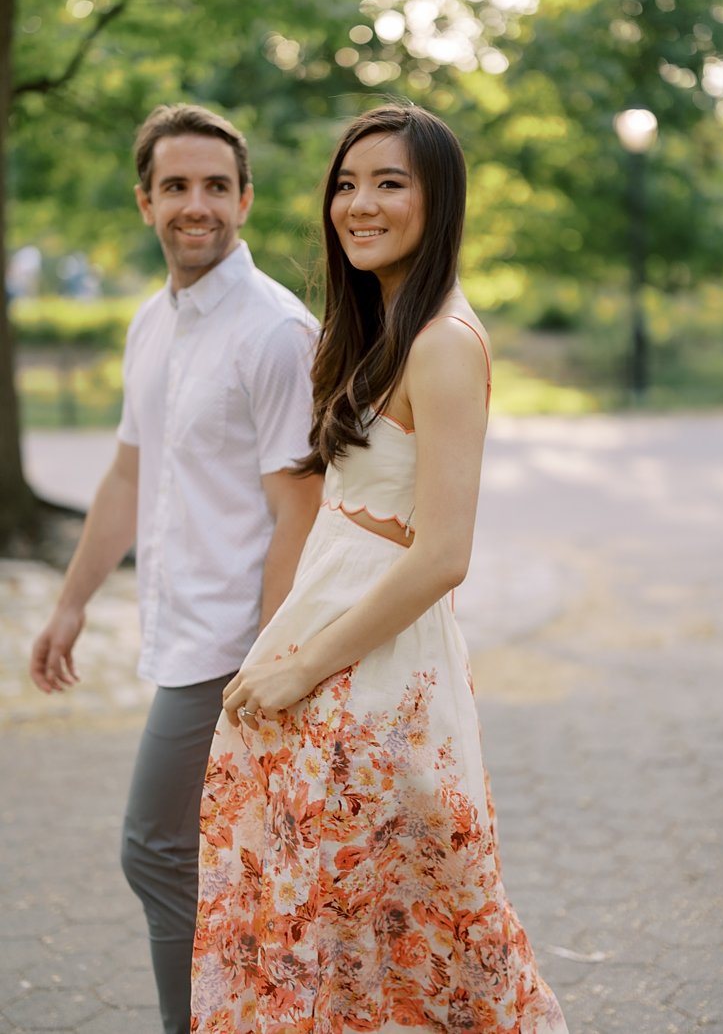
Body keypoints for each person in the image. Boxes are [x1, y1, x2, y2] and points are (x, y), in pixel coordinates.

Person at [190, 104, 568, 1033]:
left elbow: (442, 554)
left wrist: (303, 662)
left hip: (377, 667)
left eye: (389, 183)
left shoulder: (441, 342)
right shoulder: (382, 323)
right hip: (332, 636)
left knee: (391, 918)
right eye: (347, 184)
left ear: (439, 203)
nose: (359, 204)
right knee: (327, 913)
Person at [28, 104, 322, 1034]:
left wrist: (267, 669)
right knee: (211, 857)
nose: (197, 205)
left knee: (155, 849)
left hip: (233, 648)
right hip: (183, 629)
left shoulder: (274, 331)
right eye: (177, 187)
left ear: (245, 200)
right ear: (146, 201)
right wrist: (71, 605)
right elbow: (129, 471)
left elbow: (299, 511)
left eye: (216, 187)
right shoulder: (152, 323)